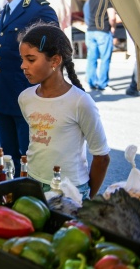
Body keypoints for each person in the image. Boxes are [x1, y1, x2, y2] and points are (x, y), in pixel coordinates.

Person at [18, 22, 110, 199]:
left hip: (70, 190)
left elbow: (102, 157)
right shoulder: (25, 98)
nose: (23, 66)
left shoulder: (80, 102)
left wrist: (86, 197)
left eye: (30, 59)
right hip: (33, 184)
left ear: (55, 60)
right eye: (22, 59)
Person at [0, 0, 59, 172]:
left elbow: (53, 57)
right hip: (3, 99)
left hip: (27, 100)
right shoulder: (6, 11)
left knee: (30, 162)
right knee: (9, 161)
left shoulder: (39, 11)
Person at [85, 0, 116, 90]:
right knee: (105, 58)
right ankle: (102, 84)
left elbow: (88, 14)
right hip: (103, 31)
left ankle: (91, 82)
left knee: (91, 58)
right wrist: (113, 27)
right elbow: (112, 17)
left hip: (90, 30)